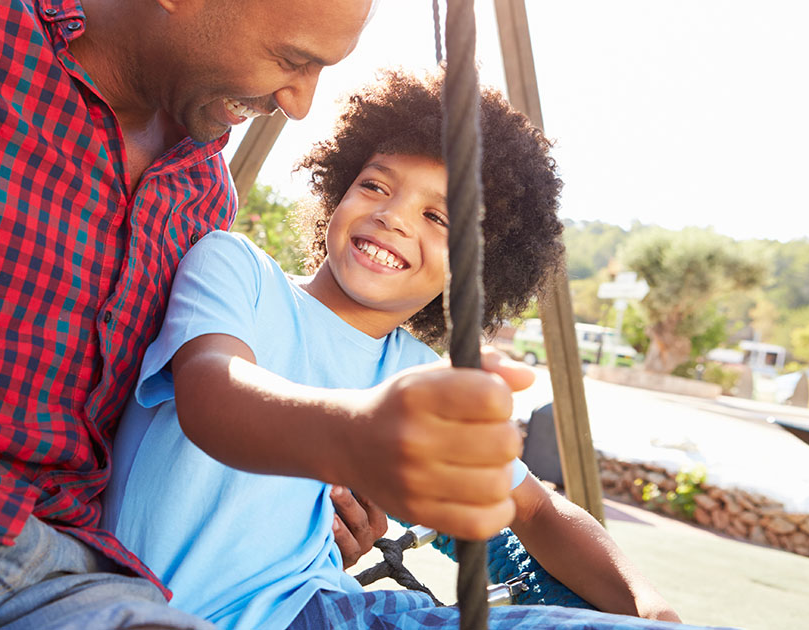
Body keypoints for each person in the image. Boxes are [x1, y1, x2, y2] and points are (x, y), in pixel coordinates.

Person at [0, 1, 530, 629]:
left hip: (53, 570)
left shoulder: (200, 193)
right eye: (295, 59)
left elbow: (176, 431)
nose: (301, 102)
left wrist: (304, 511)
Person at [104, 71, 708, 630]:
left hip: (314, 610)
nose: (392, 217)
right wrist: (362, 439)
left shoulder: (417, 374)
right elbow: (213, 394)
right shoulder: (237, 269)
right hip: (145, 605)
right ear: (338, 191)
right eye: (374, 185)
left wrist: (644, 603)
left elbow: (536, 511)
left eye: (437, 218)